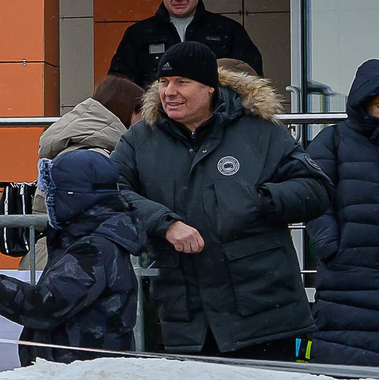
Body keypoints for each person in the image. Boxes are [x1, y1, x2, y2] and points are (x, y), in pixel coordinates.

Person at [113, 42, 329, 359]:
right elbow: (110, 190)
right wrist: (165, 224)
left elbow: (316, 189)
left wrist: (259, 198)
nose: (169, 92)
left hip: (265, 315)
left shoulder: (261, 132)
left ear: (210, 87)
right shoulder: (139, 139)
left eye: (181, 82)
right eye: (163, 82)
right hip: (187, 320)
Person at [0, 151, 144, 362]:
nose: (48, 199)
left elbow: (45, 305)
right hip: (72, 372)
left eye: (53, 192)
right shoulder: (81, 237)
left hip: (82, 376)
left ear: (74, 197)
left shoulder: (94, 246)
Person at [307, 59, 379, 368]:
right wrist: (331, 247)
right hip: (346, 275)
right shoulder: (333, 141)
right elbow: (312, 197)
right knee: (340, 360)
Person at [107, 0, 263, 83]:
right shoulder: (138, 34)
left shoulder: (227, 30)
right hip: (156, 118)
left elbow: (251, 77)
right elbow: (120, 83)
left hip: (216, 119)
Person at [41, 75, 144, 160]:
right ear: (126, 111)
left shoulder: (86, 149)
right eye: (143, 113)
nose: (145, 122)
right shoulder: (93, 159)